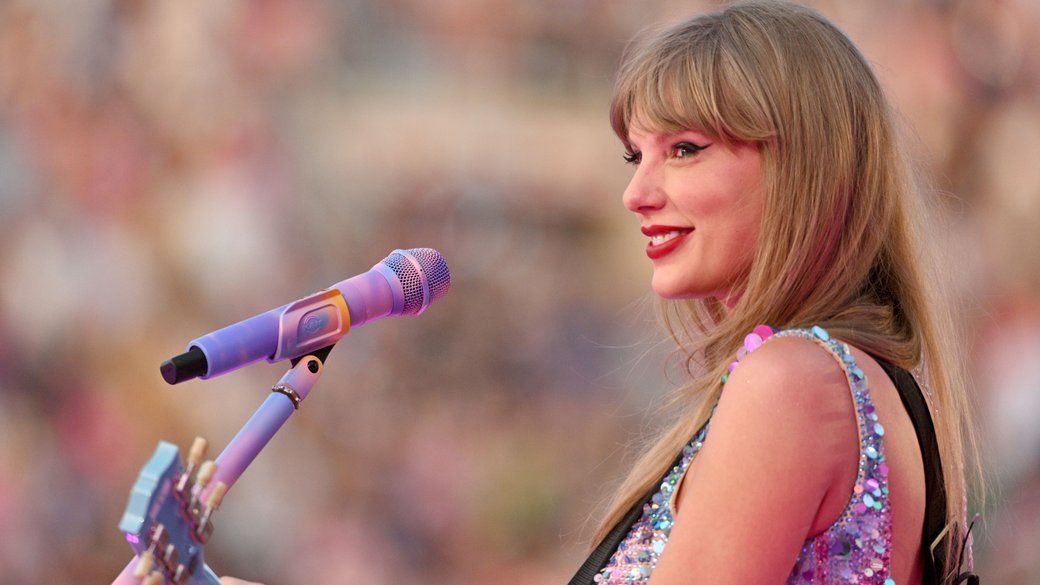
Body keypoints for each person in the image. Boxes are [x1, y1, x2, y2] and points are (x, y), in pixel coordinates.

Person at [566, 1, 979, 584]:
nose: (636, 193)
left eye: (684, 150)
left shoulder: (790, 382)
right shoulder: (848, 378)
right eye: (636, 156)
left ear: (803, 165)